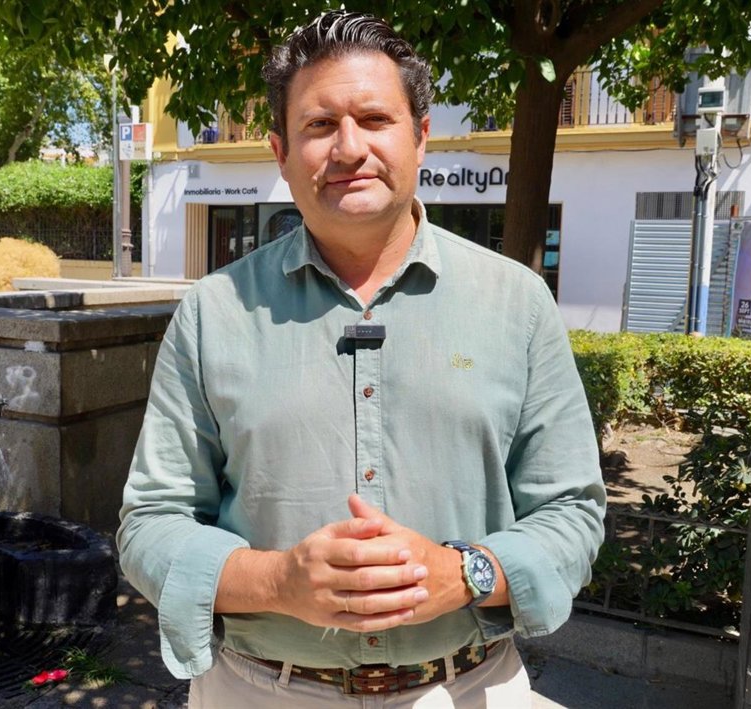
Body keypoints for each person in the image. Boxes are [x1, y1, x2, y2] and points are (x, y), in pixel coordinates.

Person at [118, 11, 605, 707]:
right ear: (281, 152)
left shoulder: (518, 304)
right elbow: (149, 524)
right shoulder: (213, 313)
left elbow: (572, 513)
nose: (350, 148)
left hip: (465, 688)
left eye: (375, 119)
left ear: (421, 136)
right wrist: (280, 581)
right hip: (257, 691)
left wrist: (463, 573)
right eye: (320, 125)